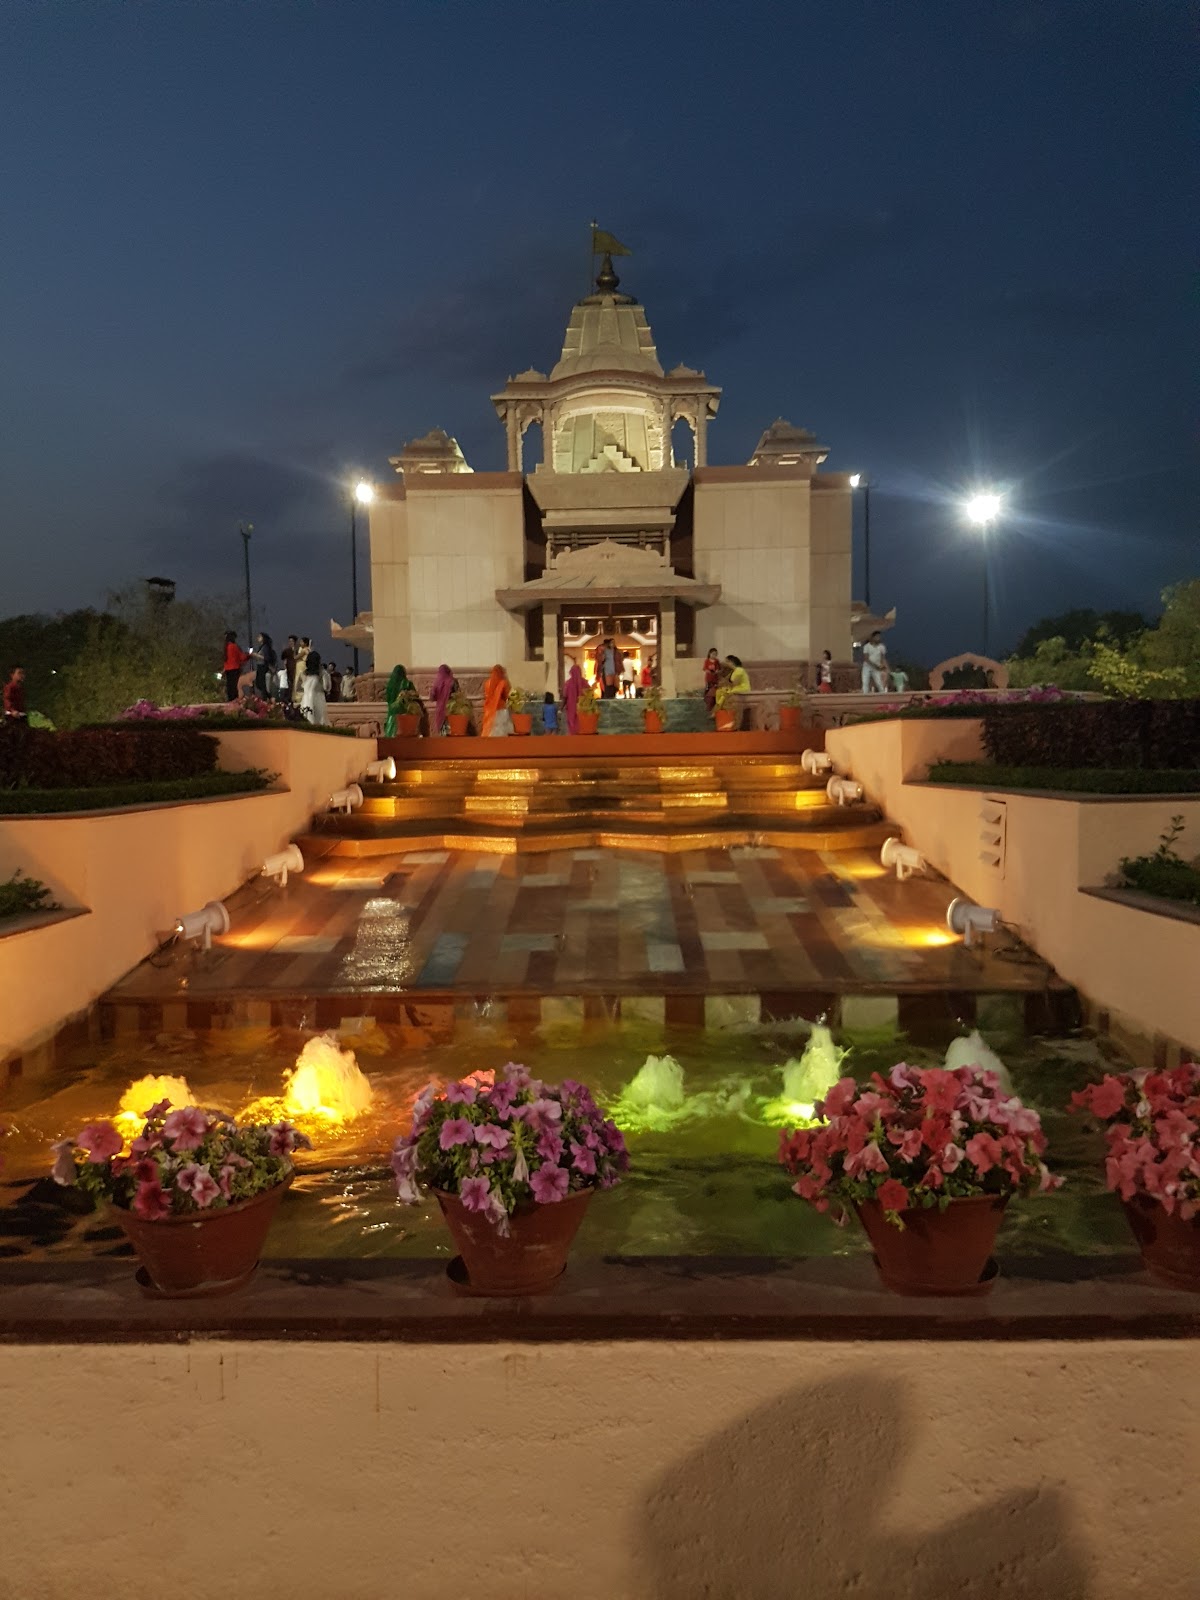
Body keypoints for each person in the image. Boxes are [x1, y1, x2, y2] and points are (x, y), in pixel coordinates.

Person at [383, 664, 417, 737]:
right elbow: (415, 696)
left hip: (391, 711)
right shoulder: (407, 684)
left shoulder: (390, 685)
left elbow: (387, 698)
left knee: (391, 729)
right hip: (404, 711)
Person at [300, 648, 329, 725]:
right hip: (318, 697)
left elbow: (301, 687)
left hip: (305, 699)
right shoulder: (322, 672)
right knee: (319, 721)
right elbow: (326, 687)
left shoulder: (304, 673)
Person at [481, 664, 511, 737]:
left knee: (491, 730)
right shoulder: (503, 683)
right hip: (501, 709)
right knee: (501, 729)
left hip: (489, 710)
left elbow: (486, 694)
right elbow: (507, 695)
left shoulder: (487, 683)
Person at [724, 654, 751, 729]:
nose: (725, 663)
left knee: (726, 696)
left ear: (731, 662)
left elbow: (736, 683)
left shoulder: (739, 670)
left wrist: (728, 686)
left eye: (726, 661)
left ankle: (735, 723)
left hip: (742, 689)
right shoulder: (734, 671)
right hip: (736, 689)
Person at [222, 632, 249, 701]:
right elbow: (241, 657)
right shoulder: (234, 646)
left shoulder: (226, 647)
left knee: (229, 685)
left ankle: (230, 699)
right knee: (234, 685)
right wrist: (248, 655)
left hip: (228, 669)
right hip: (235, 668)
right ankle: (234, 700)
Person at [430, 663, 455, 735]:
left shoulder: (437, 683)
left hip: (440, 712)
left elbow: (432, 698)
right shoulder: (452, 682)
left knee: (443, 735)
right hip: (451, 711)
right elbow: (457, 694)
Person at [563, 662, 586, 734]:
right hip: (583, 707)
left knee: (572, 724)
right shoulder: (584, 683)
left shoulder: (568, 683)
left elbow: (565, 696)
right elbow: (589, 695)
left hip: (571, 707)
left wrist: (562, 706)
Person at [254, 633, 277, 699]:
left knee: (262, 683)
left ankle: (266, 697)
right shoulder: (261, 647)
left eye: (260, 636)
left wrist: (257, 655)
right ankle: (267, 696)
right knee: (259, 683)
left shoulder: (265, 647)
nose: (258, 638)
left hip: (263, 666)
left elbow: (266, 658)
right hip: (259, 666)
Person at [703, 647, 722, 712]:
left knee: (714, 693)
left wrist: (716, 671)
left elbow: (719, 669)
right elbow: (705, 669)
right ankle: (708, 705)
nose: (714, 656)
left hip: (715, 680)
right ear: (709, 654)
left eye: (715, 654)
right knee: (707, 692)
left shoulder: (717, 661)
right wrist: (709, 671)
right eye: (713, 654)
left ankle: (713, 706)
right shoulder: (707, 661)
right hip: (709, 679)